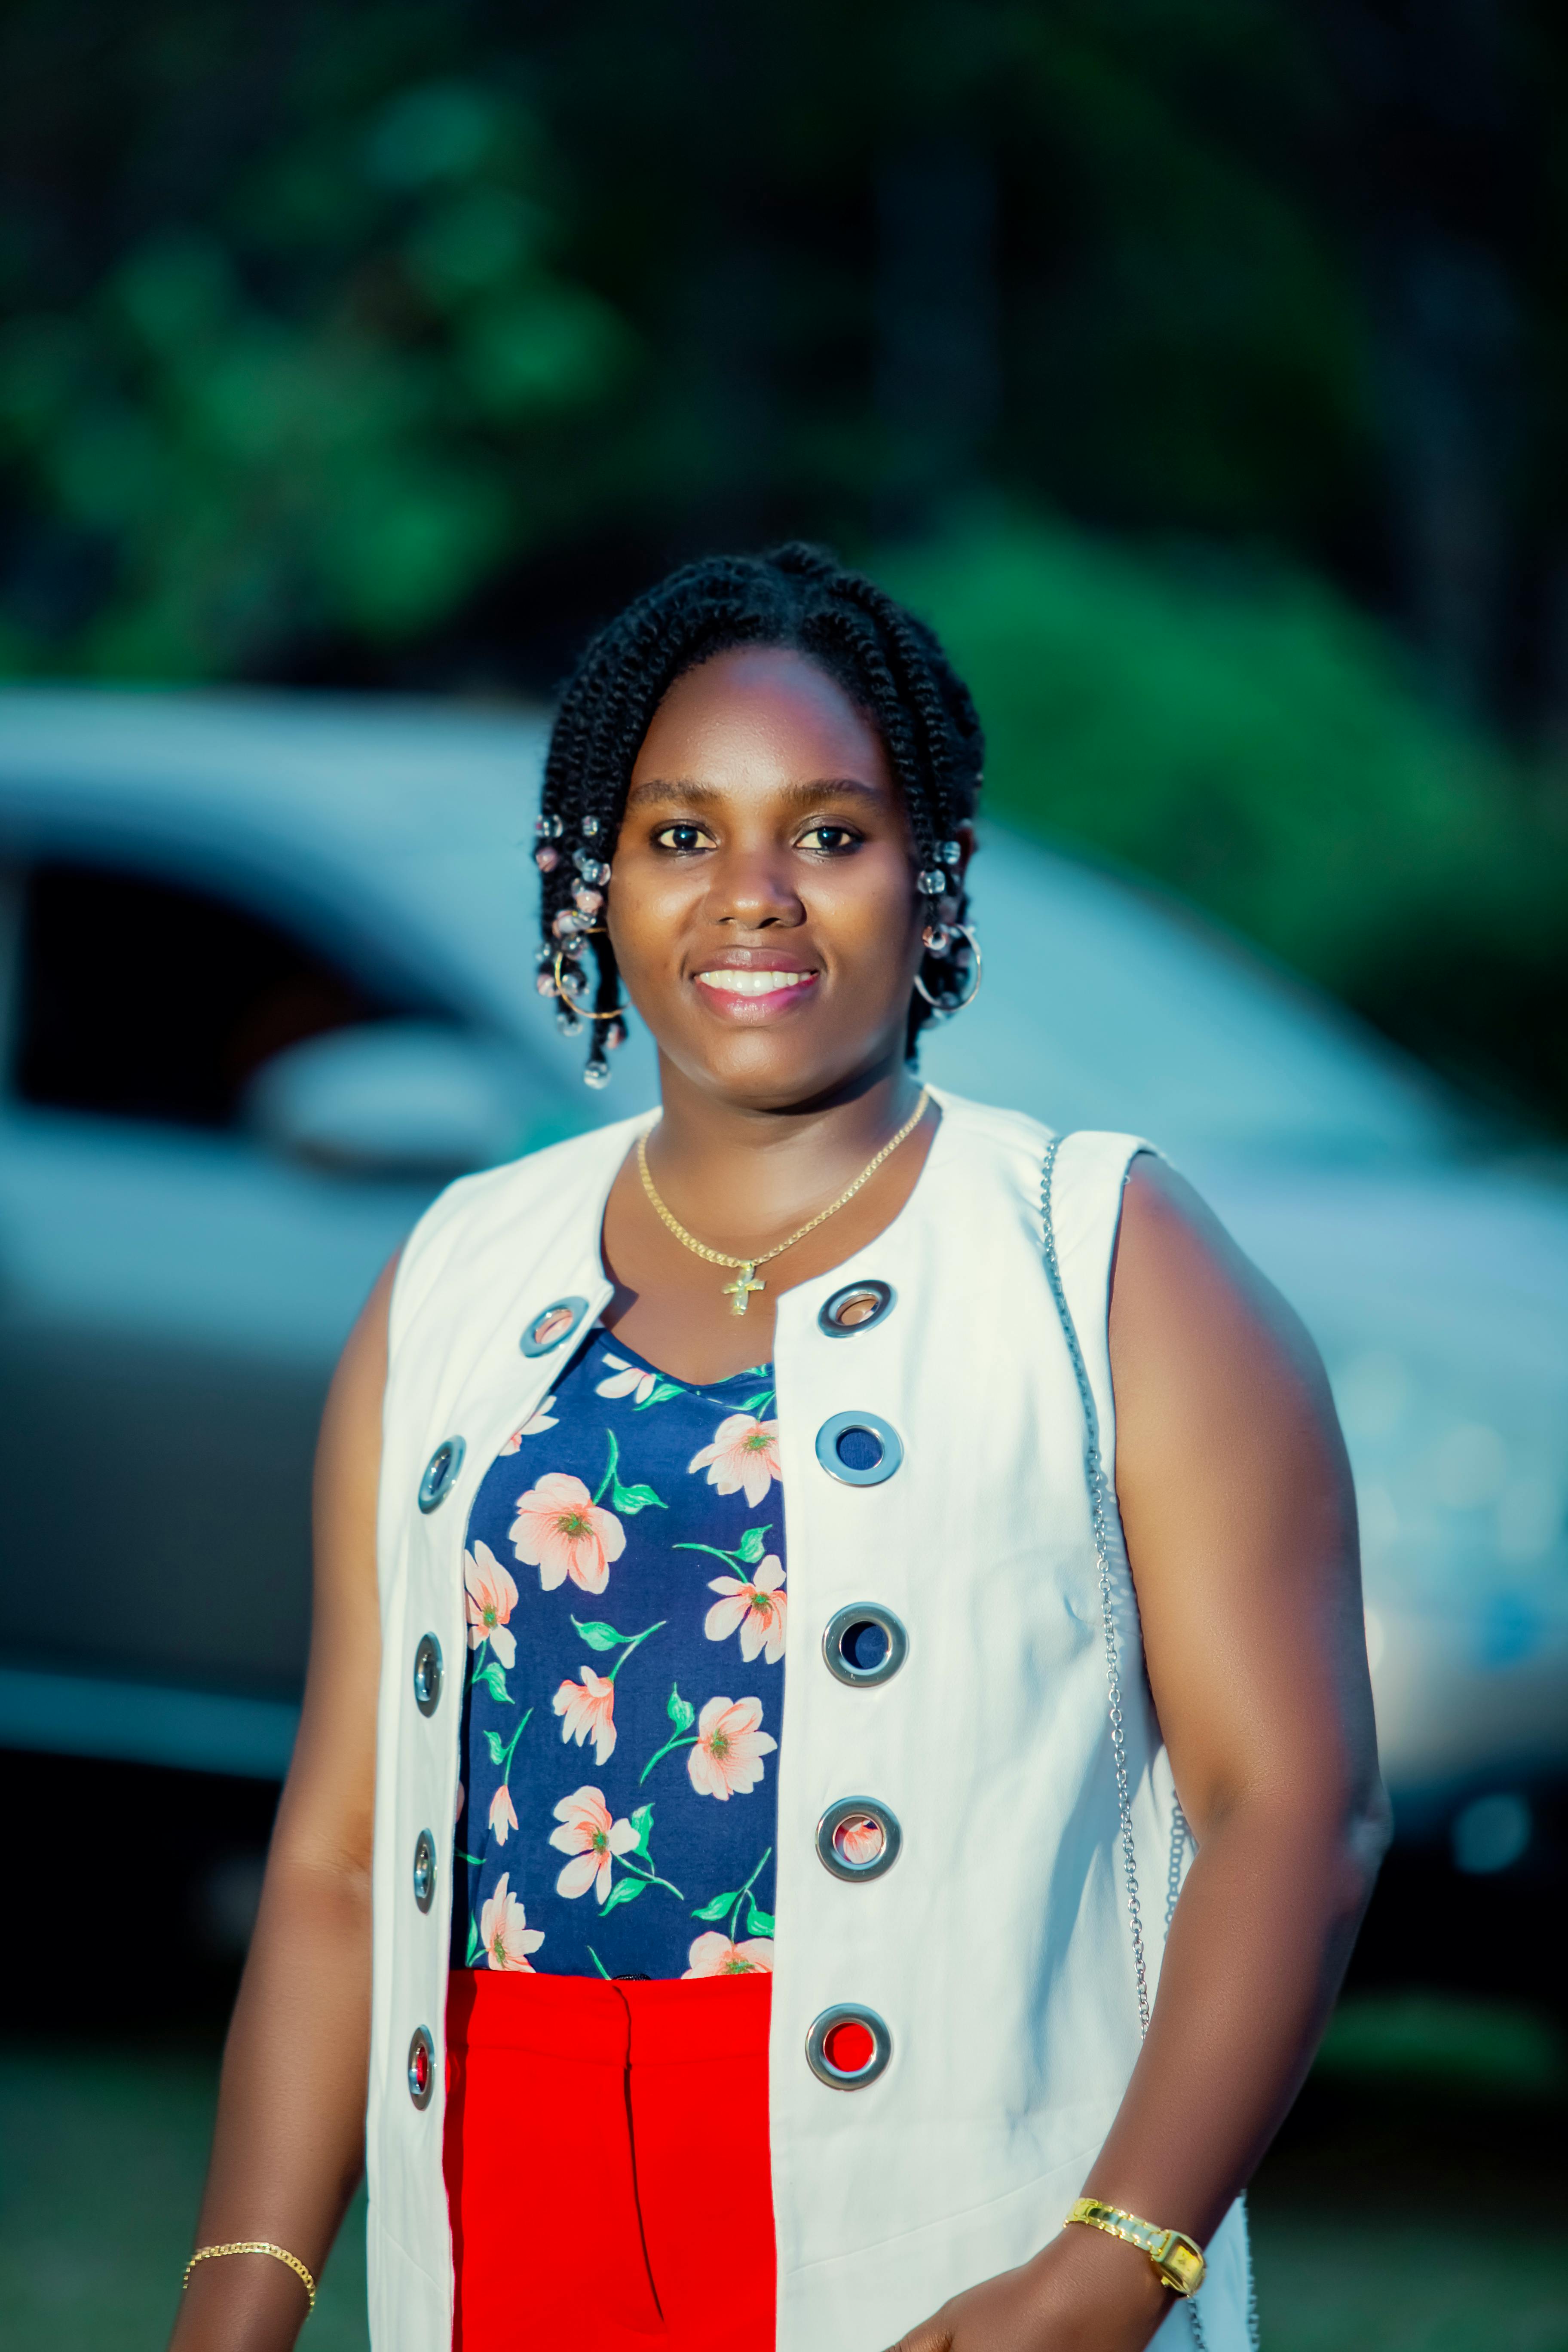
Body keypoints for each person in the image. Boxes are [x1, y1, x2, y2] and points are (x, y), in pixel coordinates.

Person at [171, 545, 1387, 2352]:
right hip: (509, 2191)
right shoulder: (454, 1269)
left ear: (934, 874)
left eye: (828, 834)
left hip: (937, 2222)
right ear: (592, 884)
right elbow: (346, 1854)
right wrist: (246, 2284)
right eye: (680, 837)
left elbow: (1293, 1807)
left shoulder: (1110, 1261)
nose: (753, 898)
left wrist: (1110, 2262)